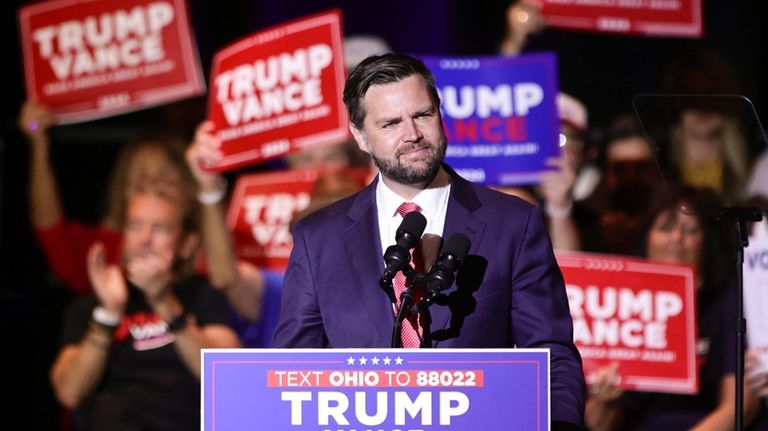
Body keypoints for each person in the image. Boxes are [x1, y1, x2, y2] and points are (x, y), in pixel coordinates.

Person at [272, 53, 585, 428]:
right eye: (390, 123)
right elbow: (290, 371)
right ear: (360, 136)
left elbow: (551, 354)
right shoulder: (318, 238)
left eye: (422, 115)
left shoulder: (513, 224)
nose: (413, 134)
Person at [50, 174, 240, 430]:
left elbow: (230, 378)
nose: (145, 239)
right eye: (135, 226)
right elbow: (70, 393)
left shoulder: (203, 295)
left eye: (160, 228)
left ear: (186, 244)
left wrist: (164, 303)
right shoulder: (91, 305)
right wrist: (109, 314)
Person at [584, 185, 760, 430]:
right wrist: (605, 400)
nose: (677, 238)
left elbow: (741, 406)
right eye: (665, 228)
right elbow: (597, 424)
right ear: (646, 237)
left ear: (706, 241)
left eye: (690, 230)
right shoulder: (618, 302)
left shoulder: (728, 300)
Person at [18, 100, 195, 295]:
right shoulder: (103, 253)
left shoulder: (207, 246)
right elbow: (51, 233)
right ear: (124, 187)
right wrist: (38, 142)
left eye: (162, 181)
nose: (150, 192)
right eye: (141, 179)